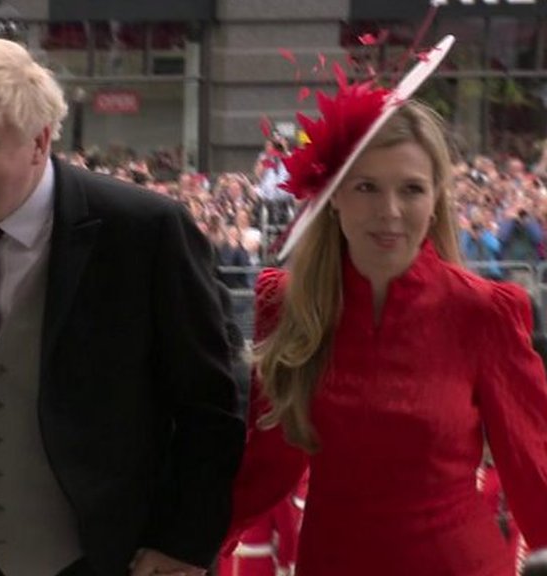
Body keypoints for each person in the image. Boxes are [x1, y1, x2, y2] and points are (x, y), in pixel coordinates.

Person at [0, 38, 243, 576]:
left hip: (96, 558)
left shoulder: (144, 232)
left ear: (39, 143)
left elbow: (211, 404)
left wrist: (183, 543)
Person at [227, 71, 547, 573]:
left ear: (436, 197)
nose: (390, 211)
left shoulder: (485, 312)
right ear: (332, 194)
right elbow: (269, 462)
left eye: (412, 189)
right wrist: (186, 550)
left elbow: (535, 470)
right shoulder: (286, 304)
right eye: (367, 187)